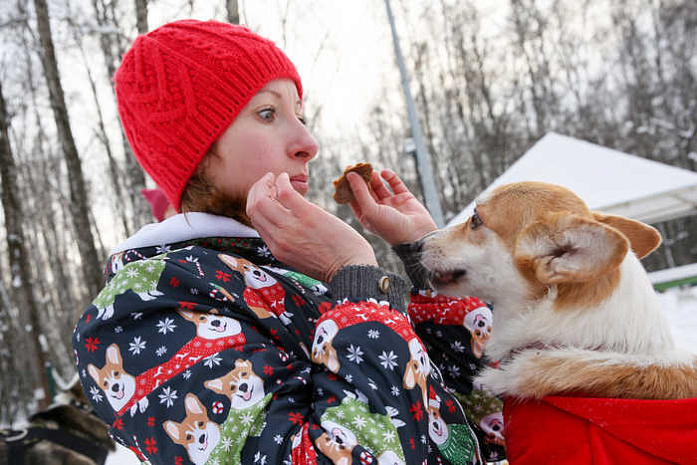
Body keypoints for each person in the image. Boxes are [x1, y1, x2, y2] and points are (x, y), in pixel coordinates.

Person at [72, 19, 505, 464]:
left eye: (300, 113)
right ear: (196, 155)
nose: (308, 142)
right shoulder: (142, 310)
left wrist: (426, 259)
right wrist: (356, 282)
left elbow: (493, 417)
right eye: (267, 113)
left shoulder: (301, 276)